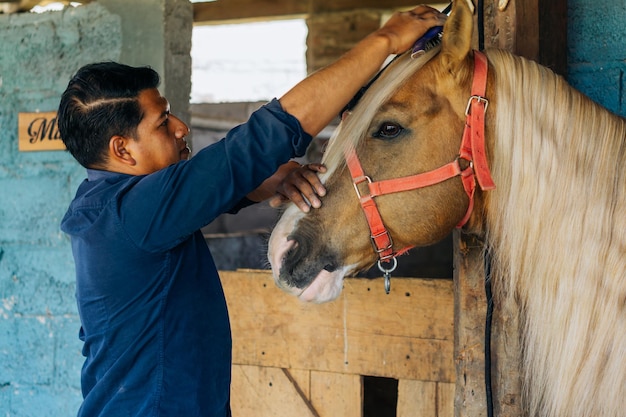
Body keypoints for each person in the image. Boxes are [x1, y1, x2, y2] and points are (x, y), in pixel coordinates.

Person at [57, 5, 447, 417]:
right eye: (162, 122)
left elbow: (215, 192)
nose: (181, 128)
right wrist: (385, 40)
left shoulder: (100, 207)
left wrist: (270, 183)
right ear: (122, 149)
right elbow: (261, 140)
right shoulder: (135, 211)